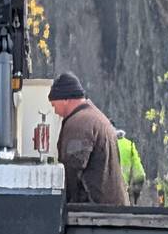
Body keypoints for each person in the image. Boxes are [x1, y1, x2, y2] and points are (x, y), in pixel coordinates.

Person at [48, 72, 129, 206]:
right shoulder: (95, 116)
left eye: (54, 105)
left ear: (65, 99)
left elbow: (72, 168)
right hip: (113, 206)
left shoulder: (78, 124)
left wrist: (65, 204)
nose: (55, 111)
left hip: (95, 210)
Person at [113, 124, 147, 205]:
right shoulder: (129, 145)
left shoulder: (104, 143)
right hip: (125, 193)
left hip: (108, 194)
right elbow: (140, 174)